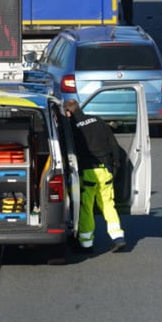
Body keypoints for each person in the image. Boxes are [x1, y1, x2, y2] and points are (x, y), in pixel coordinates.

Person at [63, 99, 126, 253]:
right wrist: (116, 165)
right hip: (105, 170)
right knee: (108, 205)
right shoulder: (97, 120)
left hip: (87, 172)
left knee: (86, 208)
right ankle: (118, 237)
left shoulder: (72, 128)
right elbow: (113, 144)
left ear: (68, 113)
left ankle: (86, 244)